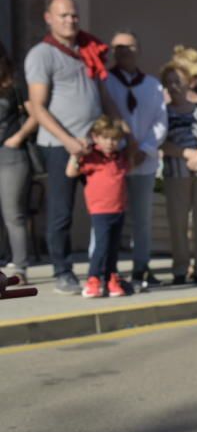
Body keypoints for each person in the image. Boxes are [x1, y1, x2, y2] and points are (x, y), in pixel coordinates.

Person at [25, 0, 120, 294]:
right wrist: (68, 142)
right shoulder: (42, 55)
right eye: (64, 15)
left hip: (96, 146)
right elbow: (37, 107)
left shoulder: (89, 50)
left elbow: (104, 96)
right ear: (49, 18)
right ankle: (62, 270)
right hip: (59, 146)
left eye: (74, 16)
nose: (70, 20)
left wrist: (119, 132)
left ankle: (104, 271)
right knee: (61, 211)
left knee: (106, 210)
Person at [102, 31, 168, 290]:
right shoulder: (105, 81)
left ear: (138, 49)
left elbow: (161, 122)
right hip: (114, 161)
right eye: (118, 47)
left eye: (129, 46)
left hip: (144, 161)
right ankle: (107, 268)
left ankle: (141, 266)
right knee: (109, 217)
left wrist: (144, 149)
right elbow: (104, 118)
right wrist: (121, 149)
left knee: (142, 218)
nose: (124, 51)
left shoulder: (153, 85)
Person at [160, 62, 197, 285]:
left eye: (178, 81)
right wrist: (187, 154)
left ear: (188, 82)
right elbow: (161, 142)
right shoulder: (163, 112)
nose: (174, 86)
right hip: (176, 171)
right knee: (177, 221)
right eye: (169, 82)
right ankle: (180, 268)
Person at [67, 116, 131, 298]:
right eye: (106, 138)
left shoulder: (119, 157)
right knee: (101, 247)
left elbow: (130, 166)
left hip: (118, 208)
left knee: (113, 247)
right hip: (100, 210)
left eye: (114, 139)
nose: (110, 143)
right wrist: (76, 153)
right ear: (96, 137)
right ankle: (93, 278)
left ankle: (111, 277)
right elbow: (71, 172)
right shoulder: (91, 157)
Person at [0, 41, 37, 283]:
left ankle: (20, 267)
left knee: (13, 213)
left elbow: (36, 114)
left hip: (11, 156)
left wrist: (18, 137)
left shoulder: (14, 86)